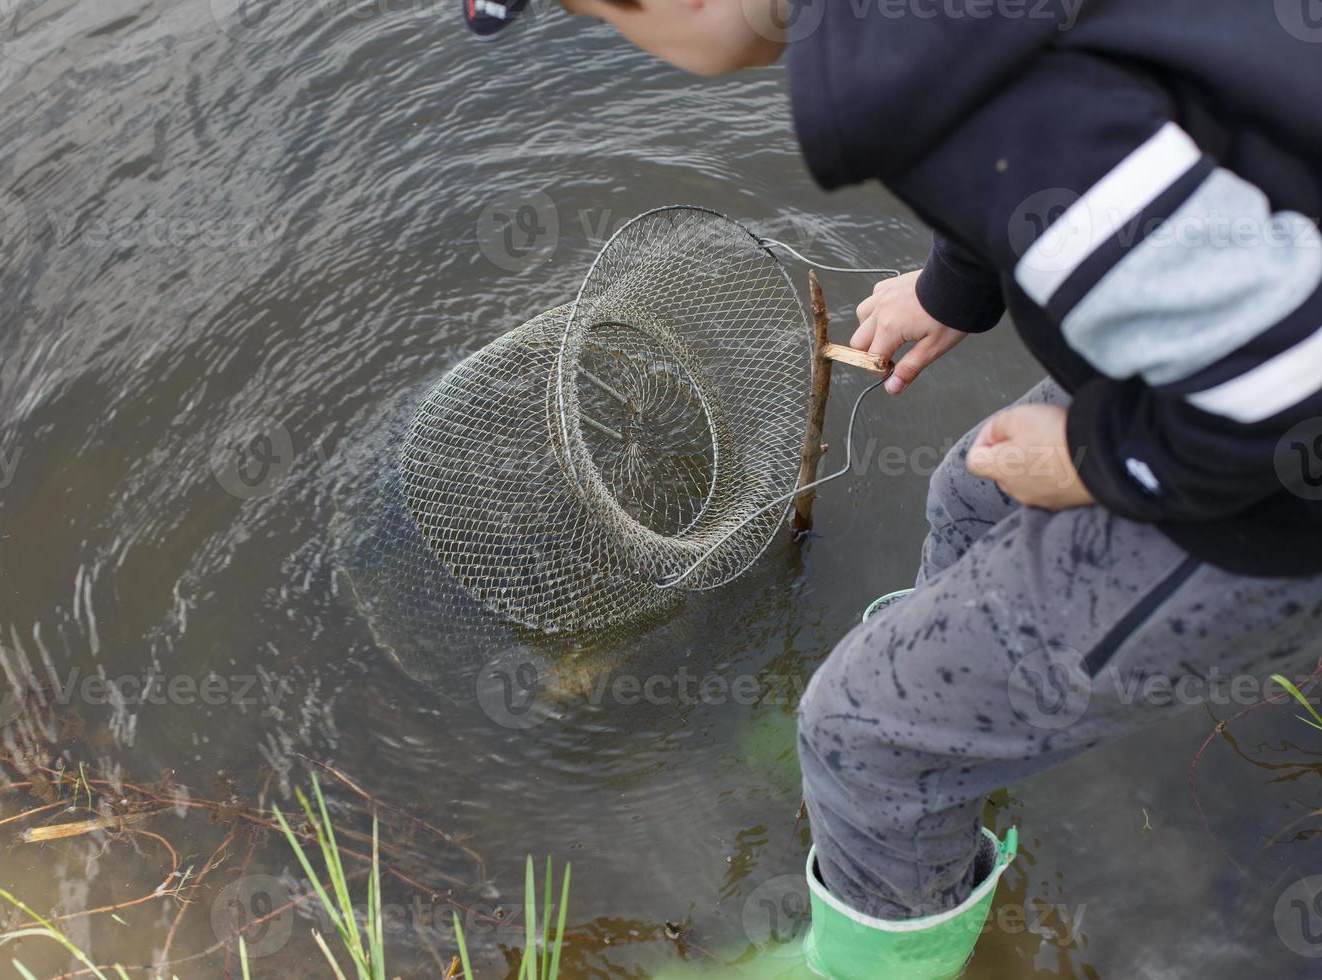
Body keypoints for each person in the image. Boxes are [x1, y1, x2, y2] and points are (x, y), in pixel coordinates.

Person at [462, 1, 1322, 975]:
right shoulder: (933, 36)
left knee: (859, 732)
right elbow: (1086, 136)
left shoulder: (901, 85)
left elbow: (1288, 387)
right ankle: (942, 739)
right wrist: (958, 280)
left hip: (1272, 489)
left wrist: (1087, 457)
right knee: (973, 489)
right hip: (1231, 345)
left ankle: (874, 928)